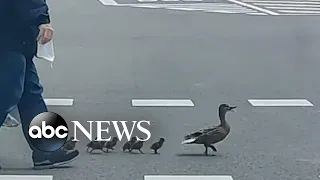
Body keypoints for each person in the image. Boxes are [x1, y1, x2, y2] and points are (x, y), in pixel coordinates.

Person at [0, 0, 79, 169]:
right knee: (8, 91)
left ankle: (45, 149)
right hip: (9, 31)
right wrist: (41, 18)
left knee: (30, 93)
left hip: (14, 31)